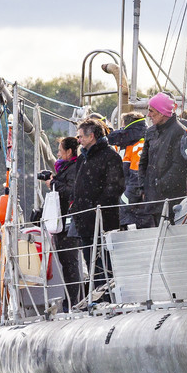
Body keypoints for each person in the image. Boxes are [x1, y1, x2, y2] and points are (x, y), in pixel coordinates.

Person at [70, 120, 128, 296]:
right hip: (85, 220)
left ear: (91, 136)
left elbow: (116, 186)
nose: (78, 140)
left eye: (80, 136)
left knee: (106, 261)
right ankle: (96, 295)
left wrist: (98, 207)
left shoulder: (110, 157)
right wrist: (76, 207)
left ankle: (109, 297)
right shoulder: (82, 159)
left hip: (103, 220)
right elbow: (78, 185)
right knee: (90, 260)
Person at [134, 93, 187, 228]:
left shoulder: (179, 131)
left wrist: (159, 186)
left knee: (171, 238)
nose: (148, 115)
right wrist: (143, 187)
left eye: (151, 111)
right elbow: (143, 162)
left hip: (170, 198)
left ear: (162, 112)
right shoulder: (151, 132)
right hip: (152, 198)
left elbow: (179, 167)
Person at [45, 136, 85, 305]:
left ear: (69, 151)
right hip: (62, 224)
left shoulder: (75, 168)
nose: (58, 154)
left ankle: (74, 302)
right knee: (67, 263)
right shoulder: (66, 168)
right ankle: (74, 300)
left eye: (60, 151)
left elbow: (71, 191)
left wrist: (53, 183)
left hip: (69, 223)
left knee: (71, 263)